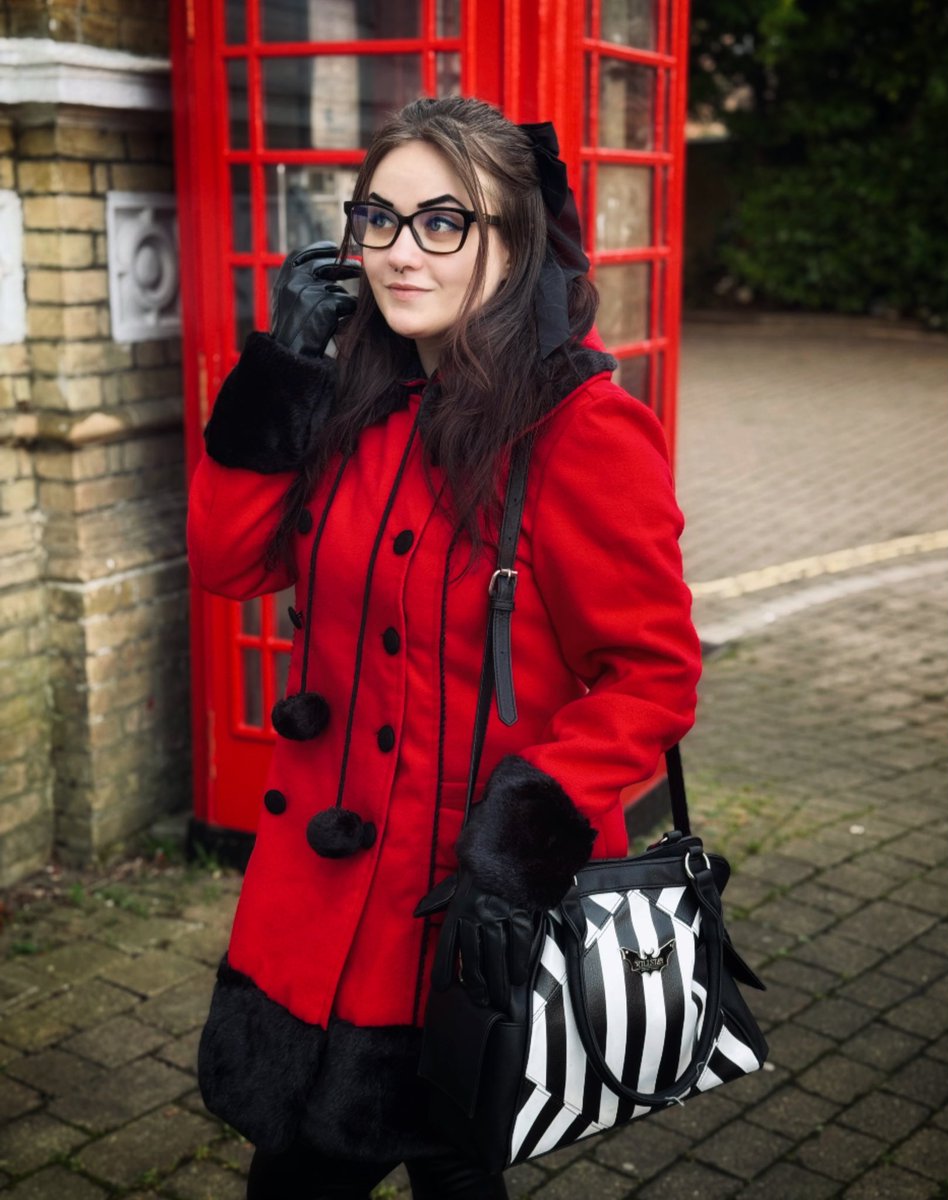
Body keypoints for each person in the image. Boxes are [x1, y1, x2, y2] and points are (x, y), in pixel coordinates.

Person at [187, 95, 701, 1200]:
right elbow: (231, 566)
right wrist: (281, 370)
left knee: (455, 1174)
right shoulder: (354, 400)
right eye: (380, 219)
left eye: (443, 222)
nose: (399, 253)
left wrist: (532, 820)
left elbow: (655, 674)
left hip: (468, 915)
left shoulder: (581, 431)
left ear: (512, 244)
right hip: (319, 902)